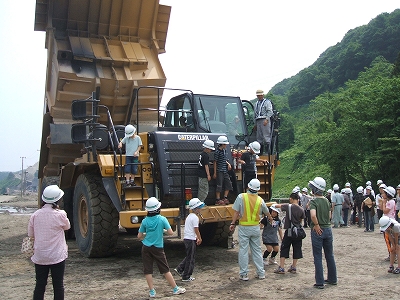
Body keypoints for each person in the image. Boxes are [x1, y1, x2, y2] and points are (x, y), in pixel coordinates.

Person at [28, 185, 71, 300]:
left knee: (40, 285)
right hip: (57, 255)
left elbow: (31, 234)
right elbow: (67, 227)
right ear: (58, 200)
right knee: (58, 286)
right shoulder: (60, 214)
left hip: (40, 256)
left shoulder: (35, 215)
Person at [138, 197, 186, 297]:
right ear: (158, 209)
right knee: (165, 269)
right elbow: (171, 232)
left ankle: (152, 291)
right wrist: (162, 231)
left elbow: (139, 236)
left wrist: (147, 235)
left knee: (148, 270)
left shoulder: (145, 221)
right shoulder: (162, 219)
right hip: (158, 248)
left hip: (146, 247)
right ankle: (175, 288)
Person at [229, 179, 273, 280]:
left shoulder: (241, 197)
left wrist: (232, 223)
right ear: (258, 189)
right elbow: (267, 212)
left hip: (244, 227)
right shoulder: (260, 200)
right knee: (257, 251)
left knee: (243, 251)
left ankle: (244, 274)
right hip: (255, 228)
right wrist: (270, 219)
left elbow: (236, 212)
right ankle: (261, 273)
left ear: (249, 187)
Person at [308, 176, 337, 289]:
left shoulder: (314, 201)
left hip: (318, 230)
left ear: (315, 189)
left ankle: (319, 282)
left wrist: (316, 225)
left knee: (318, 256)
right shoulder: (326, 200)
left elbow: (313, 215)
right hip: (328, 229)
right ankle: (332, 278)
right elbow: (329, 215)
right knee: (330, 255)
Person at [272, 192, 305, 274]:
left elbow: (277, 206)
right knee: (297, 248)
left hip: (289, 231)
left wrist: (273, 204)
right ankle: (294, 267)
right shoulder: (301, 209)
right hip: (297, 232)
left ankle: (282, 267)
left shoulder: (288, 206)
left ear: (291, 199)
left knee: (284, 248)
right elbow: (301, 220)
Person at [174, 198, 204, 282]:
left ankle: (180, 268)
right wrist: (199, 238)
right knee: (191, 258)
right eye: (200, 207)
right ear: (196, 208)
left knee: (189, 255)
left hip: (187, 238)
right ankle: (186, 275)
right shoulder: (195, 218)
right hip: (191, 239)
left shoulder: (189, 217)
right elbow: (196, 229)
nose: (201, 209)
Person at [213, 135, 233, 205]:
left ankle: (225, 197)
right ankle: (217, 199)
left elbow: (224, 159)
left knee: (228, 183)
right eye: (225, 144)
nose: (226, 145)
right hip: (219, 170)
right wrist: (215, 173)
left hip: (225, 170)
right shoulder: (217, 152)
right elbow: (215, 162)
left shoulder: (224, 151)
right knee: (219, 185)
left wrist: (228, 164)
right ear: (222, 144)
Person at [254, 89, 274, 155]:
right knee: (259, 137)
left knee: (266, 136)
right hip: (258, 120)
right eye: (258, 95)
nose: (259, 96)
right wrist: (255, 124)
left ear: (263, 95)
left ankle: (269, 152)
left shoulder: (267, 102)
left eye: (260, 95)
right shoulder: (256, 103)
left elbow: (270, 111)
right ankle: (260, 152)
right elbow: (255, 114)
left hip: (264, 119)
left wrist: (267, 119)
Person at [382, 186, 397, 263]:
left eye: (384, 193)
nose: (383, 194)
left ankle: (393, 255)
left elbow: (385, 211)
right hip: (389, 222)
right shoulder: (391, 201)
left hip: (389, 223)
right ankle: (391, 254)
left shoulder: (390, 202)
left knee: (389, 240)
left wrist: (383, 203)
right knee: (389, 240)